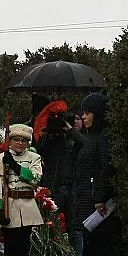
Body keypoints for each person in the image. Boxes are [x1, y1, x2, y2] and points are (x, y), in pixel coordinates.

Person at [72, 92, 119, 256]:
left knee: (102, 244)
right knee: (92, 243)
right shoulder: (91, 138)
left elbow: (104, 168)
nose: (84, 116)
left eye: (88, 112)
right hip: (86, 197)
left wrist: (100, 196)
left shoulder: (103, 138)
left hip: (97, 202)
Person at [0, 123, 43, 256]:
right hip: (8, 205)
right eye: (16, 140)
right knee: (10, 250)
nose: (20, 143)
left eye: (24, 140)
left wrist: (16, 167)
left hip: (27, 205)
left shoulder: (34, 157)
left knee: (23, 250)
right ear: (9, 141)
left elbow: (35, 179)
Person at [34, 101, 78, 248]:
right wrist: (46, 136)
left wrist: (71, 131)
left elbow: (83, 146)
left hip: (70, 185)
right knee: (52, 222)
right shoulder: (49, 136)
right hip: (53, 182)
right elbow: (41, 155)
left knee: (73, 226)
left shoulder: (73, 137)